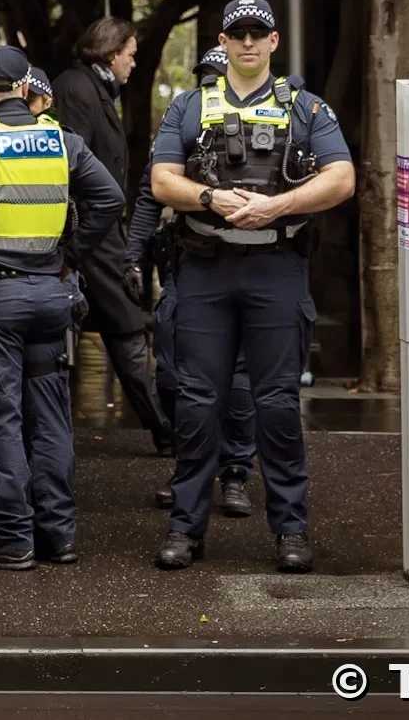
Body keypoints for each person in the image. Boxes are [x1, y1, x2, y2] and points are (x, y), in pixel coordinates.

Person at [149, 0, 355, 575]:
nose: (247, 42)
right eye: (237, 33)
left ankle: (291, 529)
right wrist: (210, 197)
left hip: (276, 267)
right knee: (196, 403)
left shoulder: (305, 107)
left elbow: (342, 178)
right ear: (222, 40)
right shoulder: (190, 106)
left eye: (257, 34)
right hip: (206, 269)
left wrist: (277, 206)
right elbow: (162, 180)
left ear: (273, 41)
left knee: (278, 405)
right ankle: (185, 529)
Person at [0, 45, 123, 570]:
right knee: (51, 418)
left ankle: (13, 539)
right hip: (52, 294)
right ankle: (59, 536)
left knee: (1, 417)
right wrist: (70, 255)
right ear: (26, 88)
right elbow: (110, 199)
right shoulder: (62, 141)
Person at [132, 46, 257, 520]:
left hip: (246, 265)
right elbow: (151, 192)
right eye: (204, 77)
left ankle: (235, 473)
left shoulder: (264, 124)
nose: (210, 86)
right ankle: (190, 467)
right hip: (187, 266)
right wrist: (132, 255)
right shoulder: (184, 123)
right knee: (172, 376)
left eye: (217, 77)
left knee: (239, 380)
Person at [49, 17, 172, 458]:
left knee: (122, 327)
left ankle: (164, 429)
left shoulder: (92, 88)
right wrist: (77, 244)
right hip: (90, 232)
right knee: (124, 326)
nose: (134, 63)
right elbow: (72, 166)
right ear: (111, 52)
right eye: (131, 55)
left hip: (97, 231)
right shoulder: (77, 89)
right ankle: (165, 429)